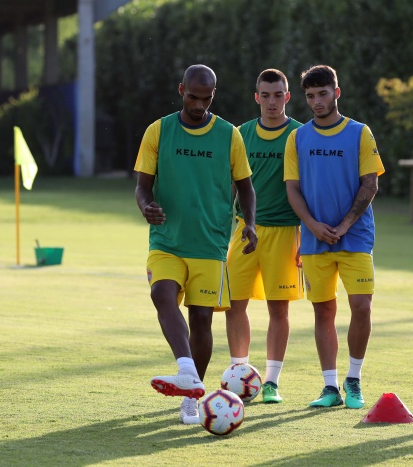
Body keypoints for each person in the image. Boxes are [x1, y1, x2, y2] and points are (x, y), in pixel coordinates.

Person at [134, 64, 258, 424]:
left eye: (206, 99)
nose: (199, 105)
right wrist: (146, 207)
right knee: (162, 294)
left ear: (213, 95)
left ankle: (190, 399)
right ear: (181, 90)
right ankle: (187, 372)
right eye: (193, 97)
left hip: (211, 243)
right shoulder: (158, 131)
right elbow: (142, 186)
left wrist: (250, 224)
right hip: (167, 240)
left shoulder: (229, 135)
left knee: (202, 320)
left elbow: (246, 188)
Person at [284, 65, 384, 409]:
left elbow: (370, 184)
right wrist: (311, 225)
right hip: (314, 242)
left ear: (336, 93)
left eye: (323, 94)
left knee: (362, 308)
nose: (316, 101)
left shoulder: (360, 133)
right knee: (323, 312)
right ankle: (330, 387)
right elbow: (292, 189)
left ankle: (353, 379)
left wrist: (344, 225)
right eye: (310, 96)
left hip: (355, 238)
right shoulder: (298, 137)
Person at [226, 69, 303, 404]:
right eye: (266, 95)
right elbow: (231, 185)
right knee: (233, 304)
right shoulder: (241, 134)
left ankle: (271, 382)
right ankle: (238, 373)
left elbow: (307, 189)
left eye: (278, 95)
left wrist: (306, 237)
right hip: (245, 231)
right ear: (257, 97)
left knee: (279, 310)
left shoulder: (300, 135)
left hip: (285, 232)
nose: (272, 102)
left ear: (288, 97)